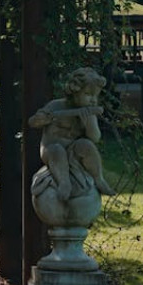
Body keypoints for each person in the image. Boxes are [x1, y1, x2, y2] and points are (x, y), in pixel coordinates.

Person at [29, 67, 116, 201]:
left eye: (95, 95)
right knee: (57, 150)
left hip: (73, 150)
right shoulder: (56, 106)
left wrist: (89, 122)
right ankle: (64, 183)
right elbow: (33, 122)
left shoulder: (89, 113)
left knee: (86, 145)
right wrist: (41, 119)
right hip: (51, 150)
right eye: (88, 94)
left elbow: (95, 138)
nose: (93, 100)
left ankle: (99, 179)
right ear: (74, 92)